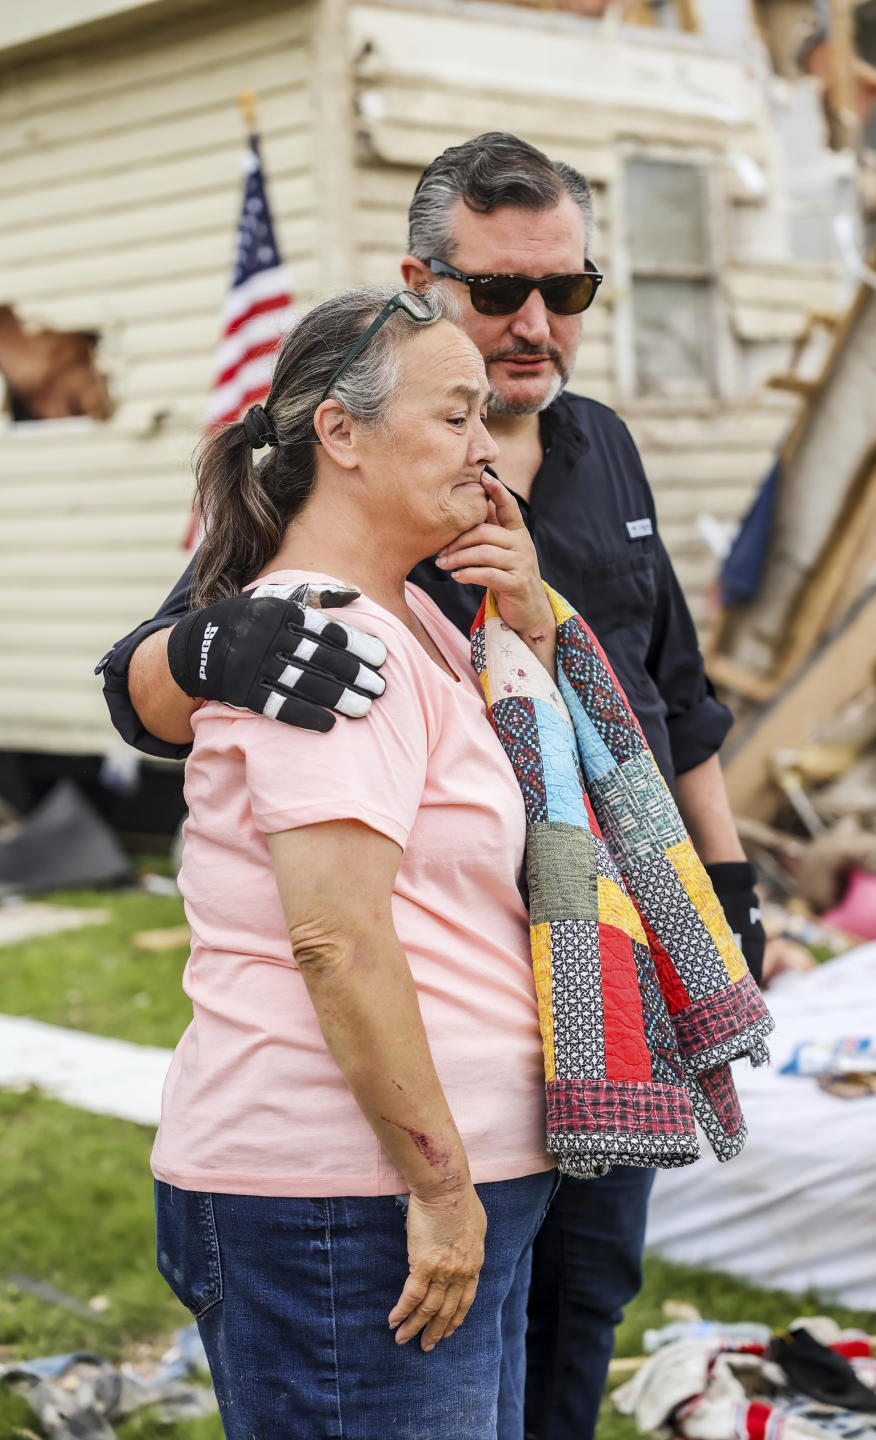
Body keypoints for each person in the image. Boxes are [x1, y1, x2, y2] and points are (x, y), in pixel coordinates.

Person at [99, 133, 765, 1440]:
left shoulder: (601, 452)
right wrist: (206, 645)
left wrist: (724, 887)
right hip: (400, 1103)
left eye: (566, 293)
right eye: (502, 292)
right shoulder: (338, 570)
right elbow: (155, 685)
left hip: (591, 1001)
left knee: (582, 1307)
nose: (535, 324)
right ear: (423, 282)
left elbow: (672, 697)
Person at [152, 282, 563, 1440]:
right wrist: (439, 1187)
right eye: (454, 417)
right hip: (346, 1201)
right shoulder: (318, 640)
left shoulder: (428, 619)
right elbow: (337, 936)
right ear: (340, 432)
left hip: (446, 1187)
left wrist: (527, 617)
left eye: (487, 418)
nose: (488, 453)